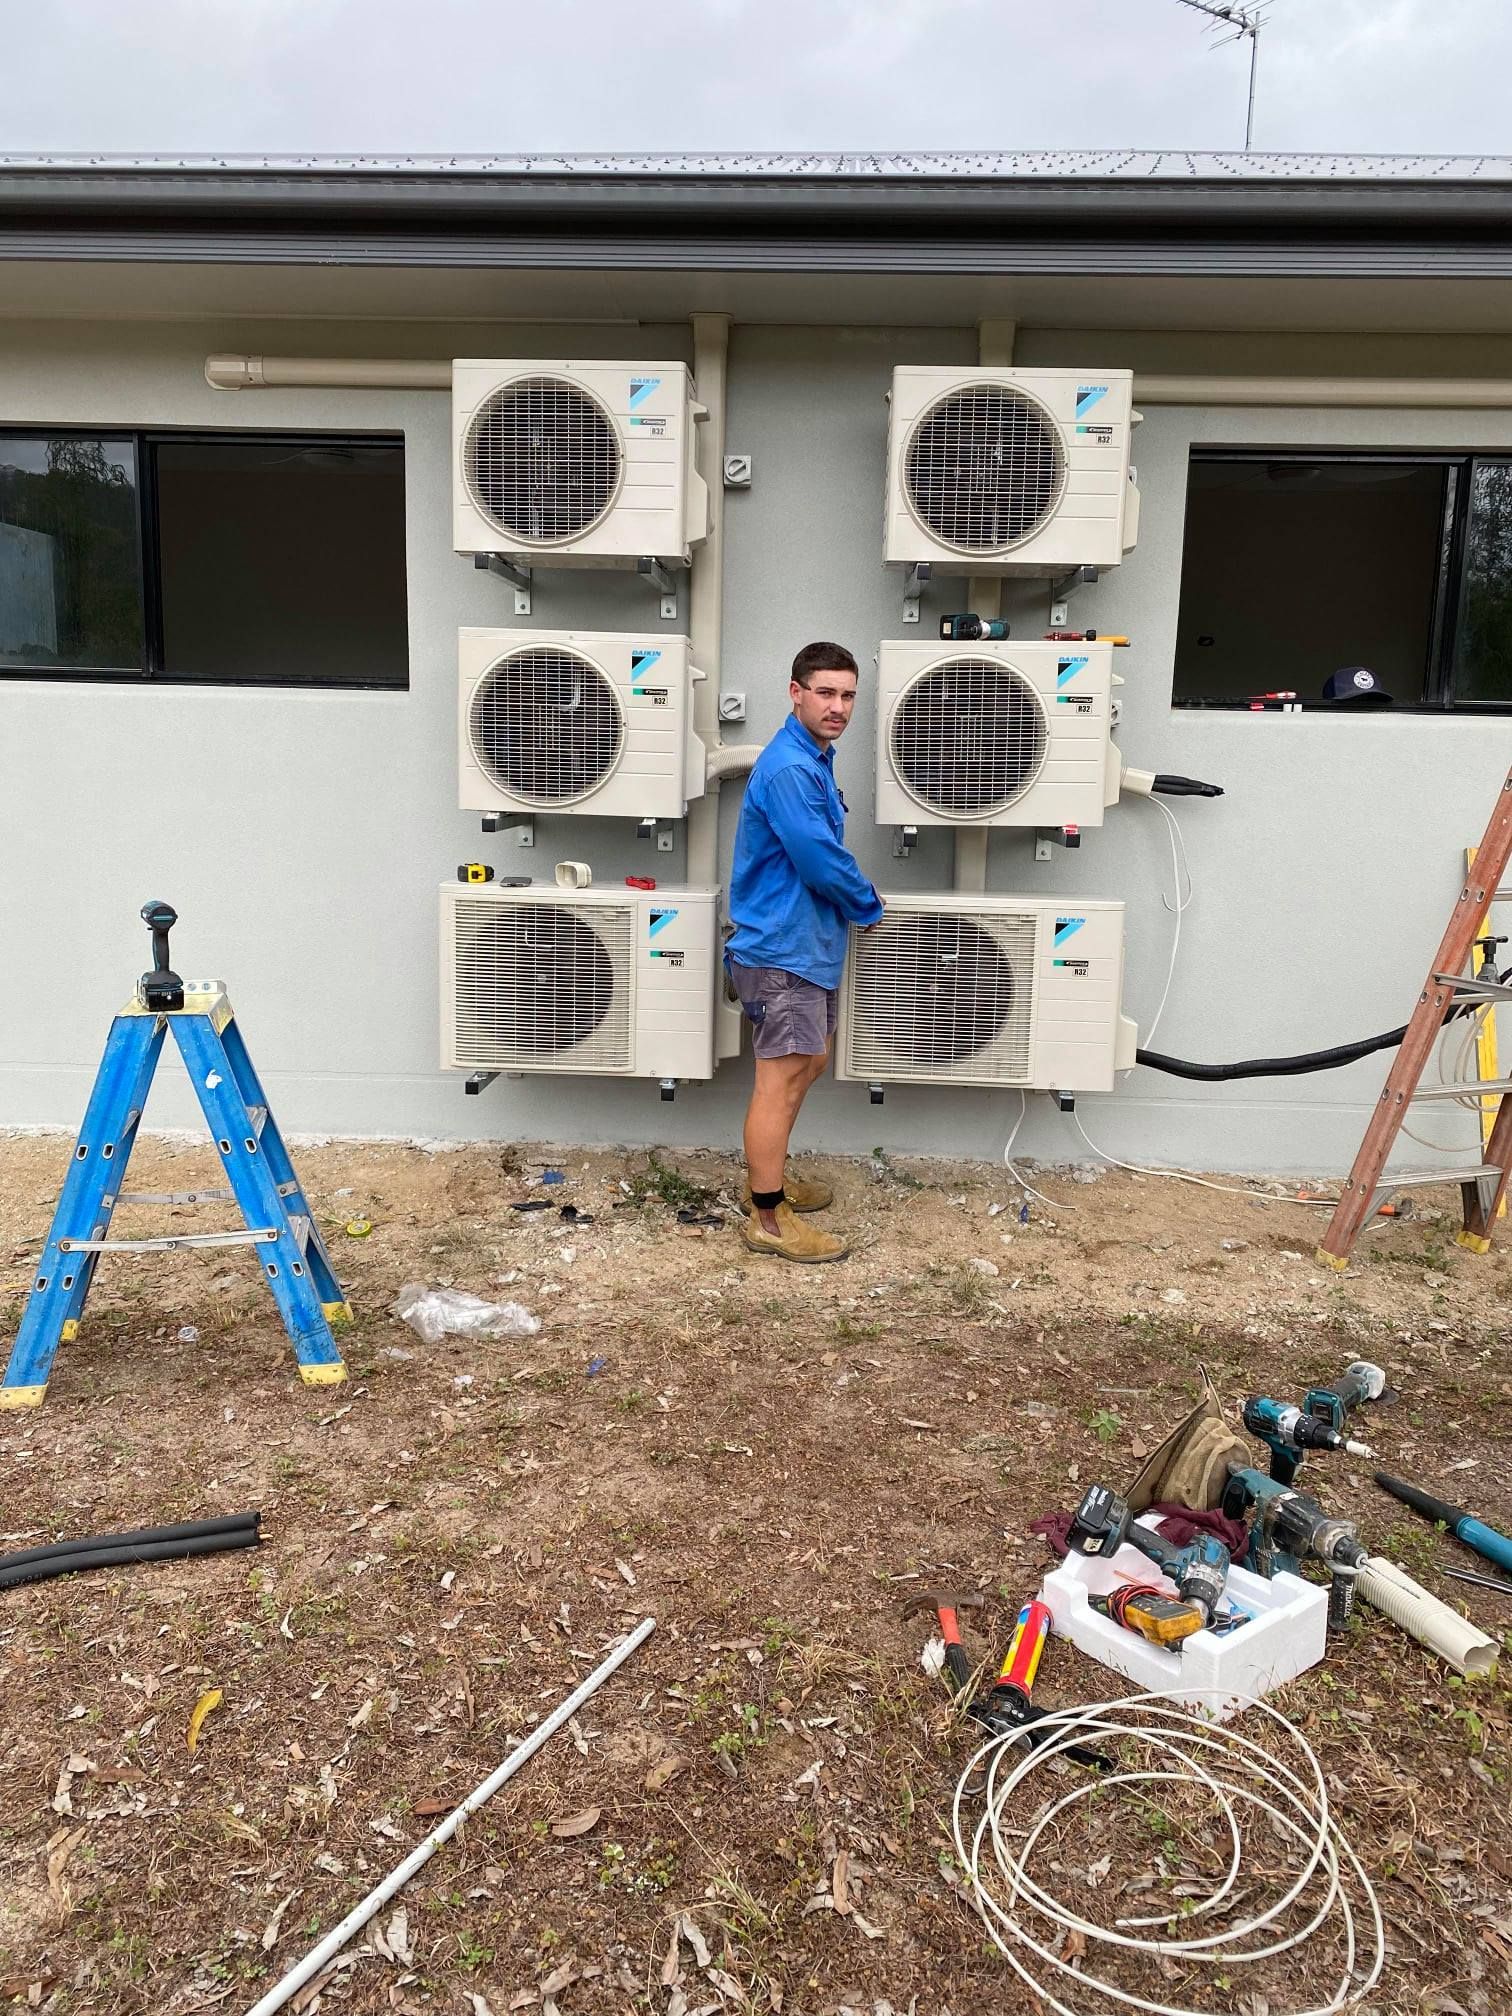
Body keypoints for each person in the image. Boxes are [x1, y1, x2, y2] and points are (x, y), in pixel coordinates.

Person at [726, 641, 884, 1263]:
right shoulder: (792, 767)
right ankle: (768, 1216)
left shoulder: (814, 758)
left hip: (807, 946)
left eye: (847, 695)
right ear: (796, 693)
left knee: (809, 1063)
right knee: (782, 1076)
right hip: (781, 951)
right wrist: (868, 905)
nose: (838, 706)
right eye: (826, 692)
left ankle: (771, 1177)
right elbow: (818, 859)